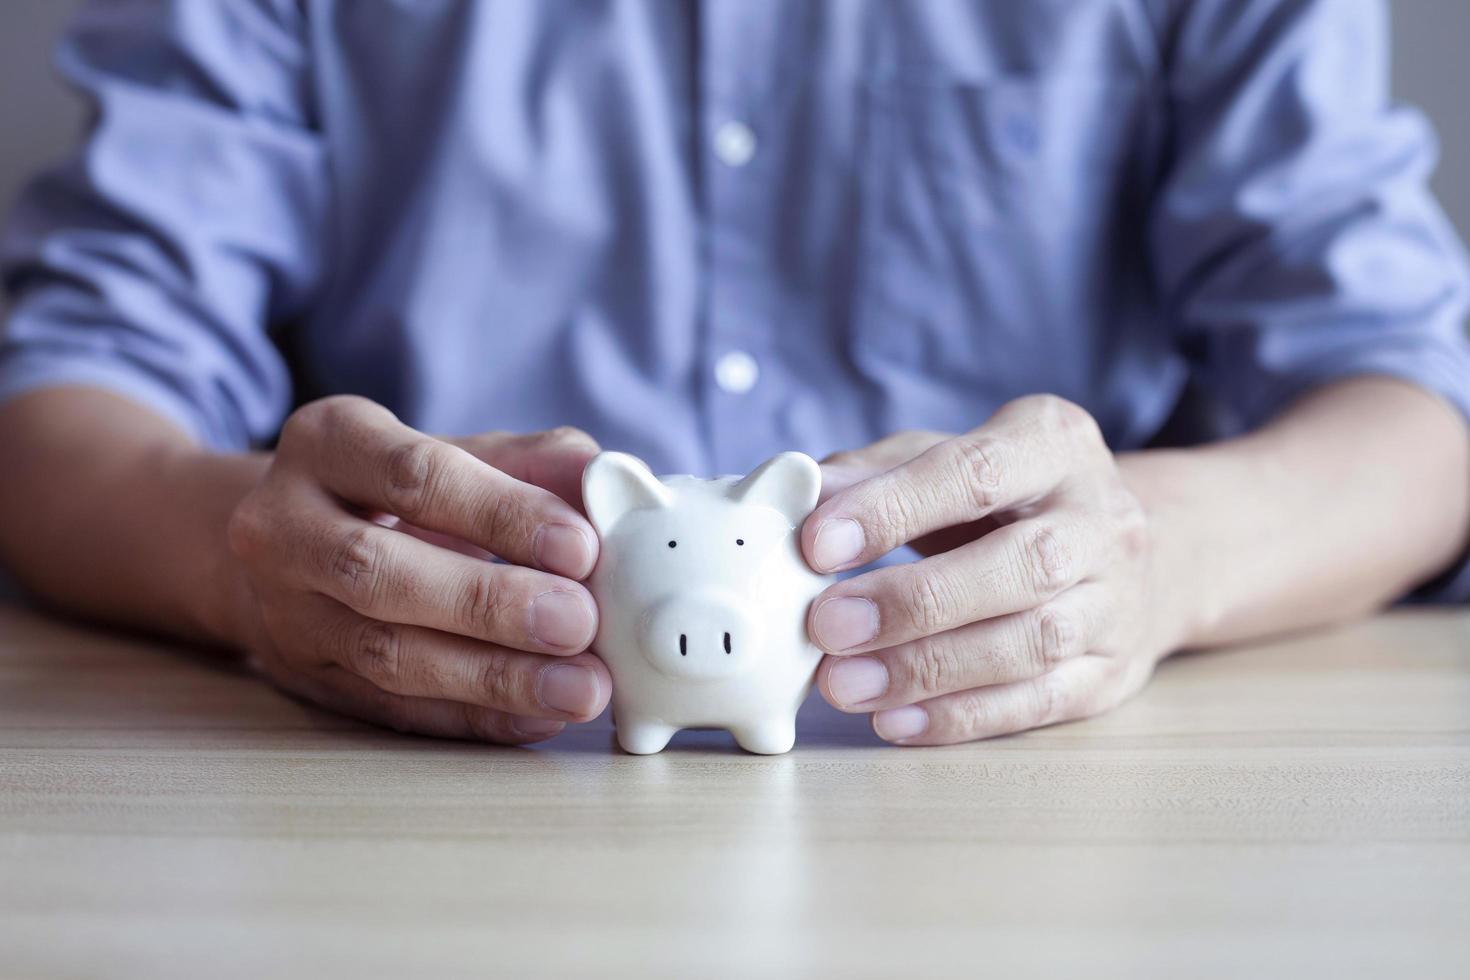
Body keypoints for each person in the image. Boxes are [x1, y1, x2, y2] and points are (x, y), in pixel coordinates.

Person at [2, 0, 1468, 748]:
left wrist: (1154, 561)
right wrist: (235, 553)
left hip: (1023, 823)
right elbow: (67, 388)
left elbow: (1410, 399)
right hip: (427, 799)